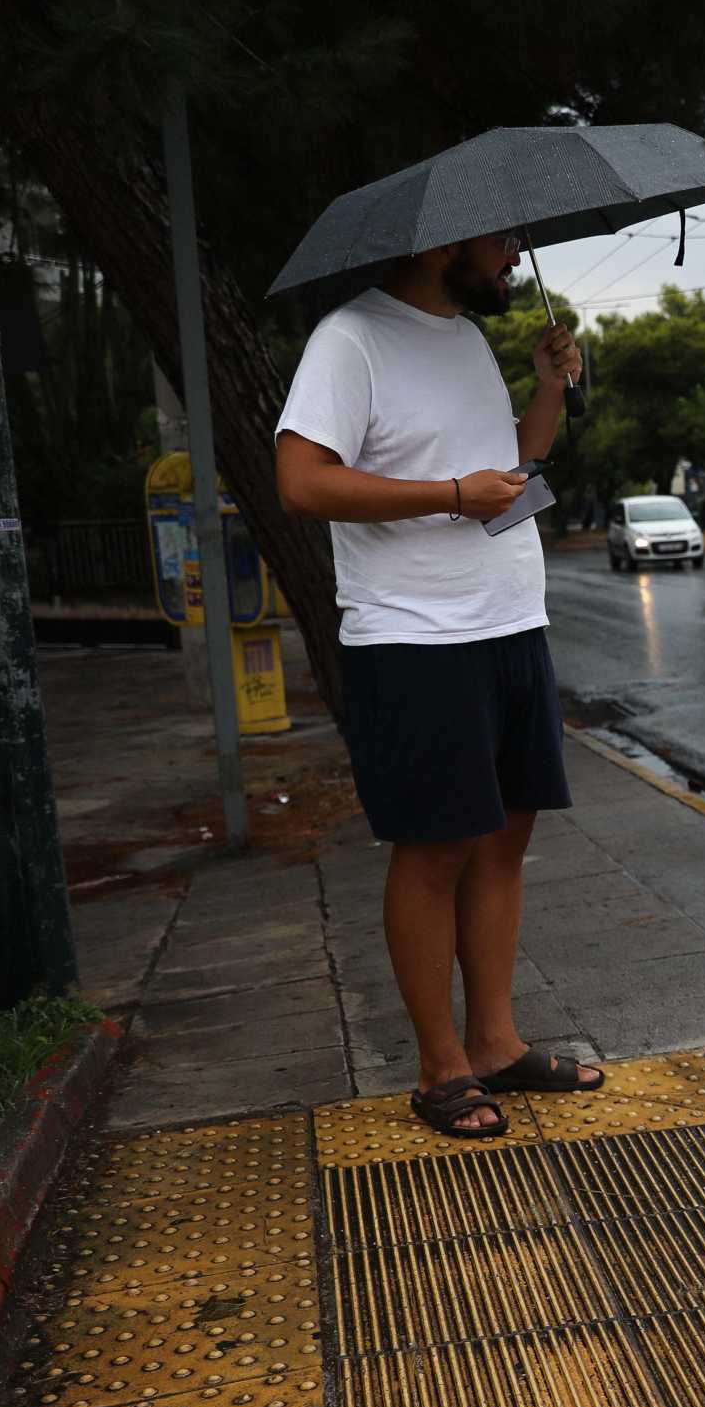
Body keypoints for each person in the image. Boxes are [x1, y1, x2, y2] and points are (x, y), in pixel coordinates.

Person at [273, 230, 604, 1138]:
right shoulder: (351, 339)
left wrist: (546, 386)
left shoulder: (465, 338)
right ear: (441, 243)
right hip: (415, 639)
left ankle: (496, 1043)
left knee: (503, 840)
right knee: (433, 850)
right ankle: (440, 1068)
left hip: (509, 622)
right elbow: (301, 483)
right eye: (503, 245)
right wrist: (451, 495)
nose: (515, 263)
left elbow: (513, 470)